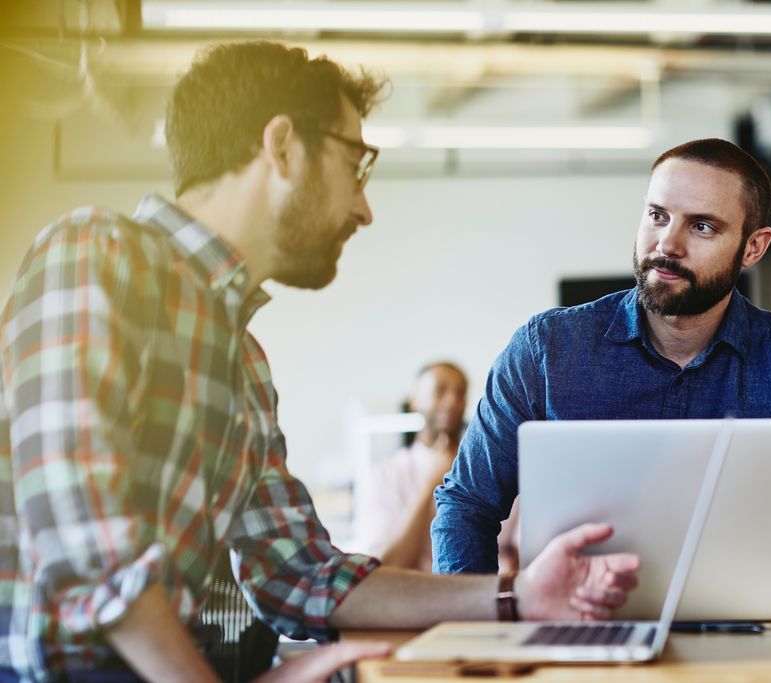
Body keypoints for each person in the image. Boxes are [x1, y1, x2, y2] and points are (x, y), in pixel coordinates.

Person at [0, 41, 641, 683]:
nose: (364, 208)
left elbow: (300, 574)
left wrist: (519, 597)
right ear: (281, 146)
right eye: (355, 164)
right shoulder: (96, 254)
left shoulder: (241, 359)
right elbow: (84, 537)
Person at [431, 138, 771, 613]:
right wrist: (480, 624)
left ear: (753, 247)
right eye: (657, 215)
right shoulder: (546, 351)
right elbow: (465, 506)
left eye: (701, 226)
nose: (667, 244)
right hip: (582, 636)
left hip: (756, 644)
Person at [357, 362, 519, 572]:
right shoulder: (383, 474)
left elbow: (517, 550)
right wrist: (429, 486)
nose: (452, 401)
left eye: (460, 392)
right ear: (414, 400)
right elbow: (387, 565)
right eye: (440, 390)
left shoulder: (493, 469)